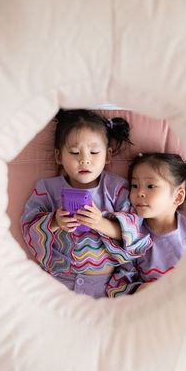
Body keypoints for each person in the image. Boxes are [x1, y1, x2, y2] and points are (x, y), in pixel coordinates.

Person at [21, 109, 151, 298]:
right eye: (74, 152)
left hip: (109, 285)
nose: (84, 160)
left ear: (107, 155)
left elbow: (135, 227)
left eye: (94, 152)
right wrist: (55, 222)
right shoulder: (47, 189)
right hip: (60, 281)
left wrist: (101, 223)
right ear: (59, 157)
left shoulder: (116, 188)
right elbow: (28, 225)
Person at [108, 152, 186, 295]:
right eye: (135, 185)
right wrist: (139, 289)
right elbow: (118, 283)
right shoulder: (132, 236)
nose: (140, 192)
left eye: (150, 186)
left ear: (178, 196)